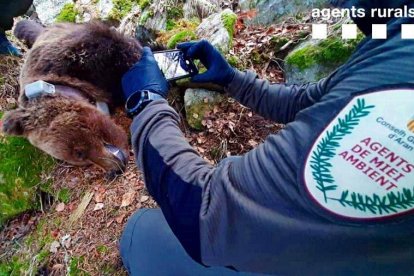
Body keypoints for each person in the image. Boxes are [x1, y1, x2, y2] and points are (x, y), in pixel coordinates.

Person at [119, 0, 414, 274]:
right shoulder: (397, 36)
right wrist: (232, 79)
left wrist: (145, 103)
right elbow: (314, 100)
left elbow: (204, 214)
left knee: (140, 234)